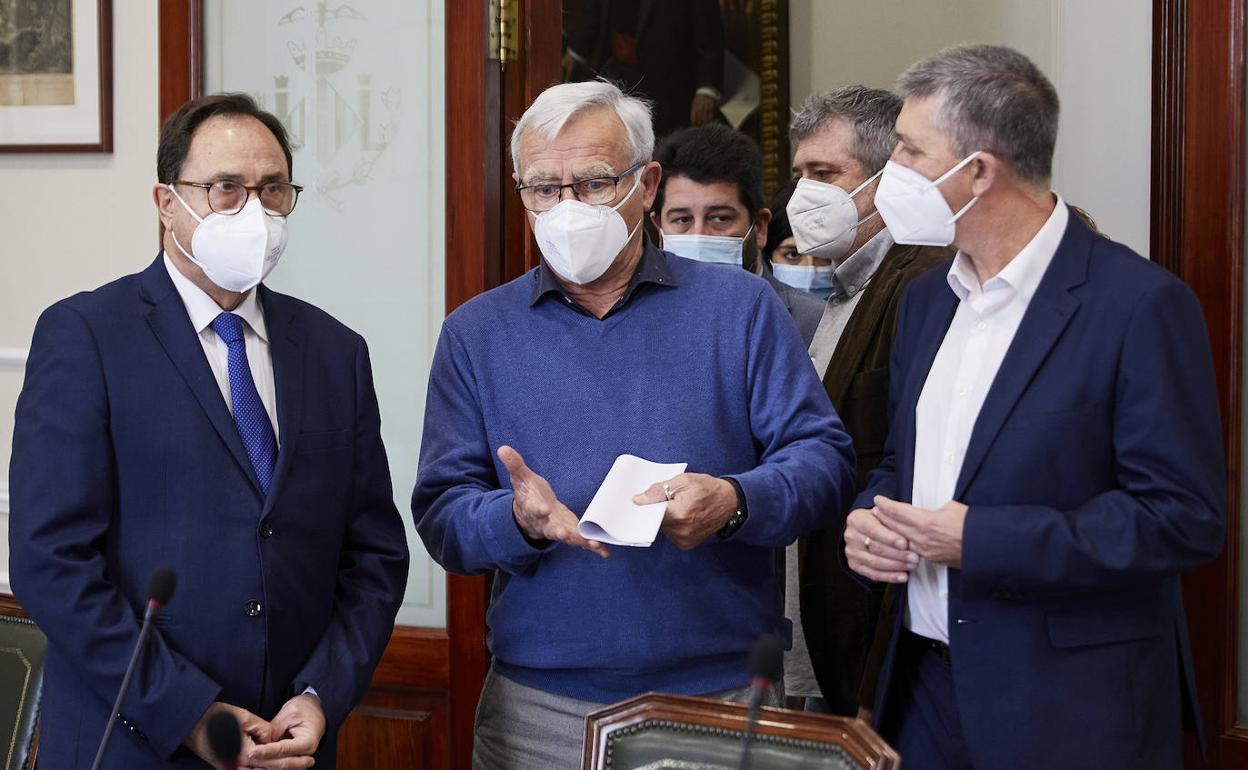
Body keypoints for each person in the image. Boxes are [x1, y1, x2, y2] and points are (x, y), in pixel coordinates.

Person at [412, 80, 855, 769]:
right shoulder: (476, 333)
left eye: (592, 183)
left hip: (718, 699)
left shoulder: (740, 310)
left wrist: (735, 501)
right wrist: (516, 519)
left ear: (646, 186)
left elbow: (824, 462)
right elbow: (442, 513)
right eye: (543, 188)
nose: (567, 208)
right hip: (537, 708)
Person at [841, 45, 1224, 770]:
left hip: (1071, 710)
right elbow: (903, 461)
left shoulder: (1138, 305)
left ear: (979, 171)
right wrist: (873, 519)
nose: (889, 176)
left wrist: (981, 539)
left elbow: (1181, 519)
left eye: (911, 153)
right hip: (921, 692)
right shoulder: (926, 300)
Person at [8, 93, 410, 770]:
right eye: (227, 187)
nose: (254, 209)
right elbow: (51, 563)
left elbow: (373, 556)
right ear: (167, 203)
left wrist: (321, 693)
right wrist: (188, 712)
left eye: (273, 188)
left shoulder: (335, 350)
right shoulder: (85, 336)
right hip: (136, 742)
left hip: (292, 747)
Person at [777, 86, 953, 716]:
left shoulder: (924, 281)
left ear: (889, 179)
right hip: (826, 620)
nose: (805, 195)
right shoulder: (844, 286)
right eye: (799, 175)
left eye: (825, 174)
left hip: (880, 629)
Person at [650, 122, 825, 347]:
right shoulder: (640, 320)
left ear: (760, 227)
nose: (700, 235)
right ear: (659, 228)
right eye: (682, 220)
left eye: (720, 218)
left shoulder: (815, 322)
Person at [563, 0, 725, 137]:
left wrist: (707, 88)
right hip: (615, 69)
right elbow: (597, 8)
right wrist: (577, 51)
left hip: (667, 79)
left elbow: (710, 30)